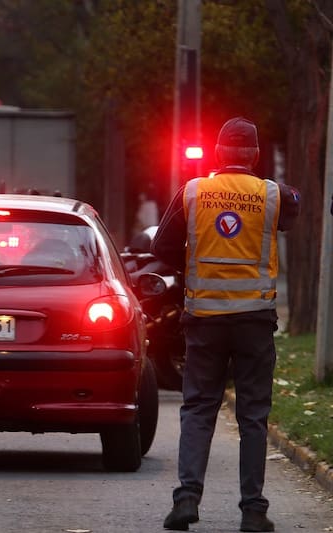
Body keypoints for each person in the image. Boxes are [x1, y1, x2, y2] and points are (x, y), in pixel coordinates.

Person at [152, 117, 300, 532]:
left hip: (204, 321)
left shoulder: (193, 192)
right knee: (253, 414)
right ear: (254, 155)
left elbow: (161, 245)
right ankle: (253, 511)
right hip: (254, 321)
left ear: (218, 154)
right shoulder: (274, 195)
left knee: (199, 407)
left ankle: (186, 500)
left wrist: (194, 270)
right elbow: (294, 210)